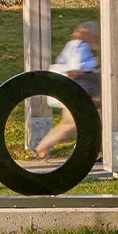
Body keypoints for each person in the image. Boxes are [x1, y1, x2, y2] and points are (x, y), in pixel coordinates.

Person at [36, 22, 100, 160]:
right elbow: (77, 67)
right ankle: (44, 145)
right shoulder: (81, 46)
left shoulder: (71, 45)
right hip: (81, 91)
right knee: (71, 124)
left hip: (74, 90)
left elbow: (62, 61)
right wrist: (95, 62)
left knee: (73, 123)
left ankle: (97, 151)